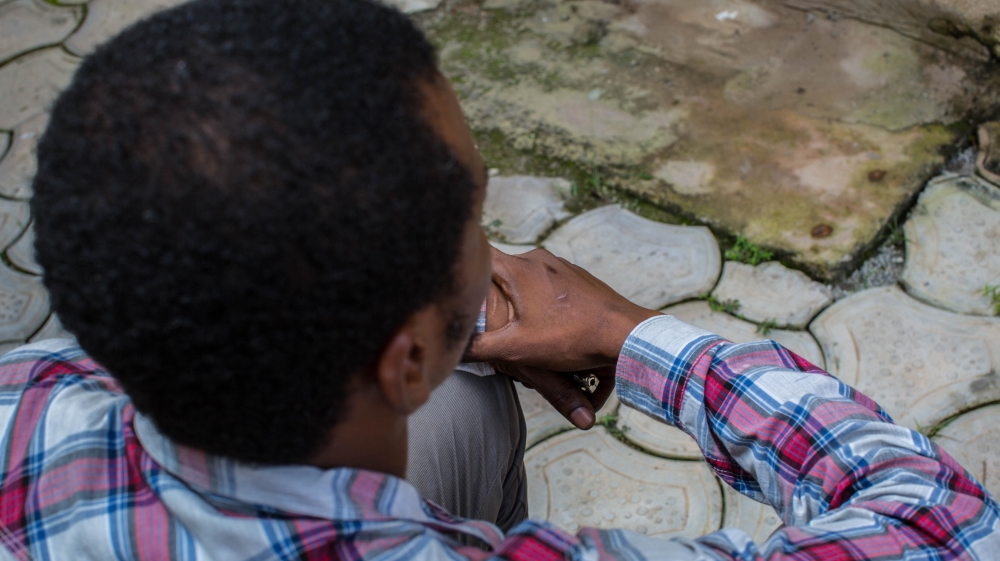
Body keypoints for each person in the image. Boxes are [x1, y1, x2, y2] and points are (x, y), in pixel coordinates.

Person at [0, 0, 996, 558]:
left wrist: (441, 324)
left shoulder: (25, 398)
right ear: (403, 360)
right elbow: (941, 523)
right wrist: (629, 335)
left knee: (470, 403)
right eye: (475, 216)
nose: (502, 251)